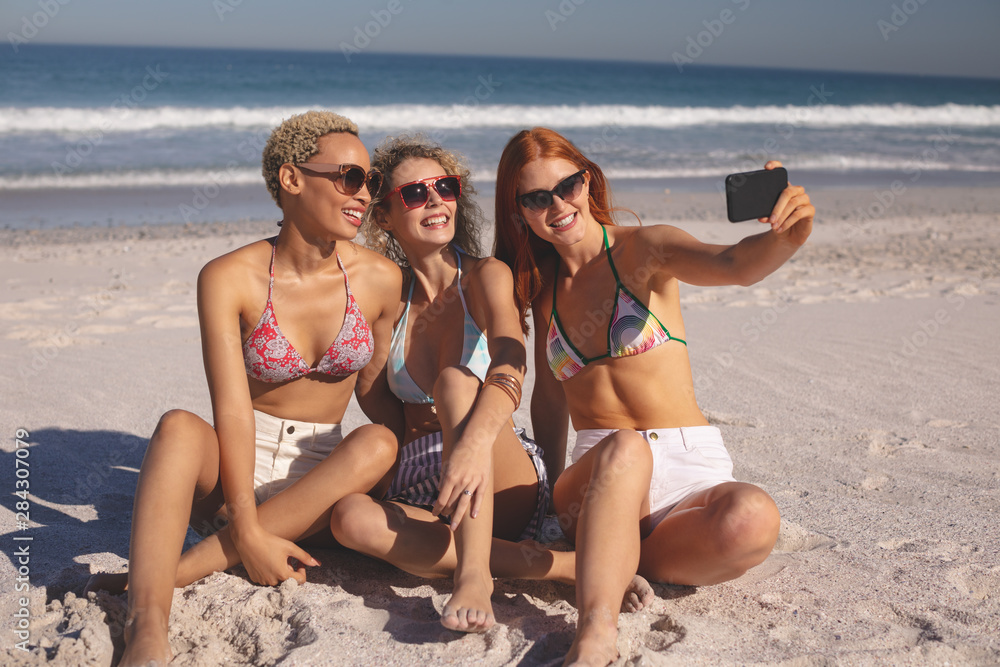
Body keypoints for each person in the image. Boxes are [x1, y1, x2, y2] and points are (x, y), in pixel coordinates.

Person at [88, 111, 402, 666]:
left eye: (371, 181)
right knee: (179, 427)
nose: (365, 194)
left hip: (321, 486)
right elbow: (231, 409)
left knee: (379, 440)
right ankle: (146, 629)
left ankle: (167, 576)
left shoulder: (380, 278)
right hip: (236, 473)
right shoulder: (228, 276)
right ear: (291, 179)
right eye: (350, 177)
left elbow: (378, 395)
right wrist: (248, 529)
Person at [493, 127, 813, 666]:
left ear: (587, 179)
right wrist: (549, 506)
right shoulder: (543, 294)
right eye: (536, 197)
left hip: (691, 469)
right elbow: (549, 405)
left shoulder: (647, 249)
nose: (558, 205)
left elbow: (735, 265)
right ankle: (595, 635)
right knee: (624, 446)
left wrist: (789, 236)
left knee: (753, 516)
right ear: (519, 210)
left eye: (567, 185)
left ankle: (618, 560)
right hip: (600, 477)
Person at [330, 136, 654, 633]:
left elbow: (510, 352)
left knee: (457, 384)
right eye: (415, 194)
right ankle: (559, 566)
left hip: (499, 473)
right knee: (350, 519)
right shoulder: (387, 303)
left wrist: (474, 438)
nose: (436, 200)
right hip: (426, 486)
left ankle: (475, 574)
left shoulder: (485, 276)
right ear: (383, 218)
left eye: (445, 186)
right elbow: (385, 416)